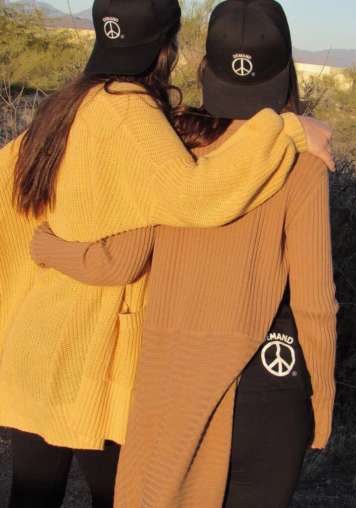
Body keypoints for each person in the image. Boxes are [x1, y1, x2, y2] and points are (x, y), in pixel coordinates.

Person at [0, 0, 333, 506]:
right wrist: (286, 129)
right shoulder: (136, 117)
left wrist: (40, 251)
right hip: (99, 352)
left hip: (42, 340)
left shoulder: (69, 106)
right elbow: (193, 200)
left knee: (32, 493)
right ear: (166, 49)